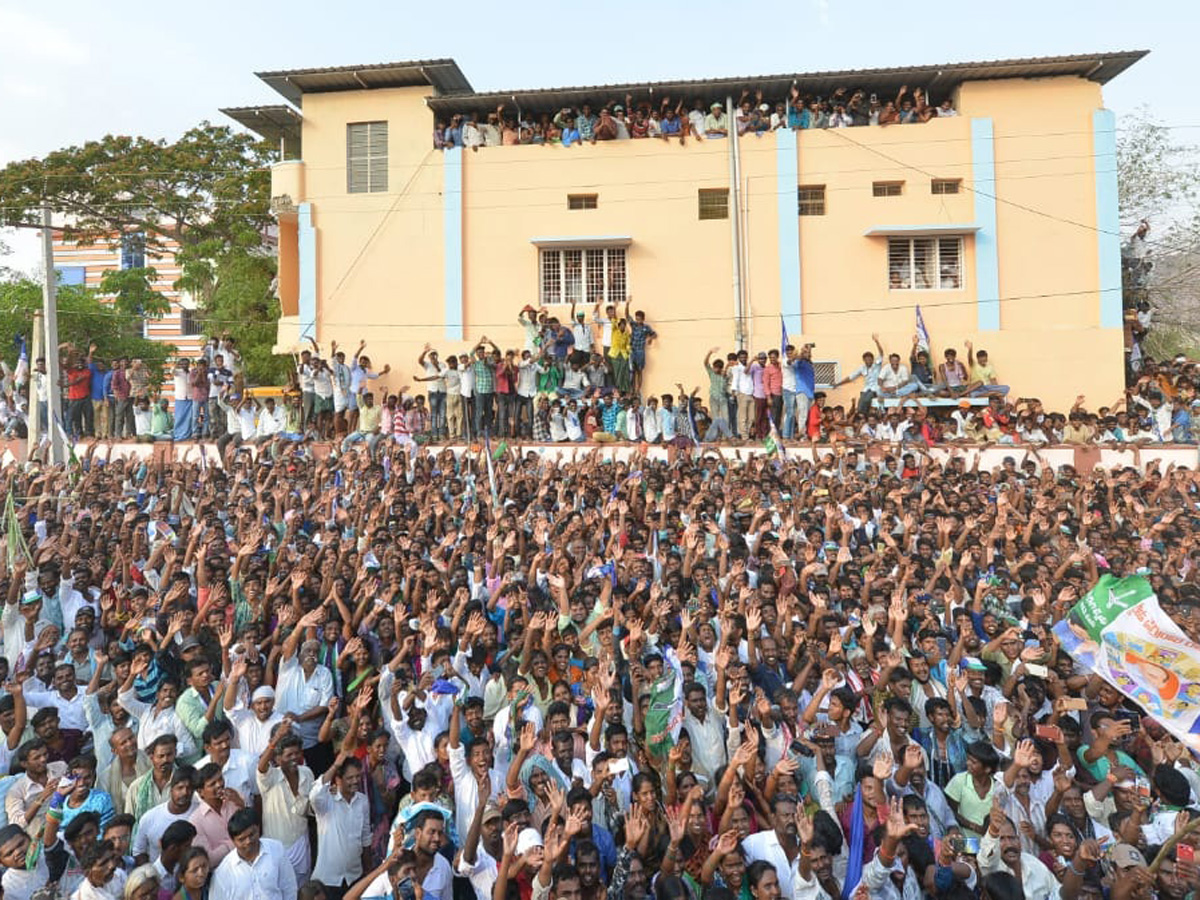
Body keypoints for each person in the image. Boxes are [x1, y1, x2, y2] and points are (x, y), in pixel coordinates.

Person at [210, 808, 298, 900]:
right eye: (242, 839)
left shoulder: (276, 849)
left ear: (258, 828)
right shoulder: (223, 872)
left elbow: (289, 887)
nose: (248, 841)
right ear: (233, 841)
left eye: (252, 834)